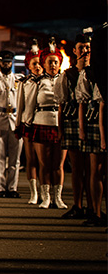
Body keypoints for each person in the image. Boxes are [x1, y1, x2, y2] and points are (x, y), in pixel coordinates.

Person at [19, 40, 67, 210]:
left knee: (58, 164)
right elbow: (30, 104)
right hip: (41, 122)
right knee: (44, 163)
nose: (53, 65)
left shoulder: (64, 79)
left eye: (56, 62)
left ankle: (58, 197)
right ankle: (45, 197)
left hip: (59, 124)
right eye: (49, 62)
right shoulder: (37, 82)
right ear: (44, 63)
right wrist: (27, 124)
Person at [55, 33, 92, 219]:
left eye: (87, 47)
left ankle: (93, 207)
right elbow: (61, 106)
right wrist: (61, 130)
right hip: (72, 123)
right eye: (81, 48)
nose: (85, 51)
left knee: (93, 169)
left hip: (92, 122)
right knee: (77, 168)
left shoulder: (96, 72)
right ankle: (77, 205)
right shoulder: (68, 75)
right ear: (74, 51)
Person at [76, 56, 107, 226]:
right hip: (96, 125)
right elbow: (90, 104)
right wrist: (82, 129)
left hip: (101, 124)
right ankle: (96, 211)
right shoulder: (91, 73)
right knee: (95, 171)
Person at [0, 49, 21, 199]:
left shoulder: (19, 79)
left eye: (8, 62)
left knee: (15, 157)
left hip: (14, 118)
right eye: (3, 62)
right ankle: (0, 187)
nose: (6, 64)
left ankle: (12, 187)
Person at [17, 41, 45, 205]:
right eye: (34, 64)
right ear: (28, 65)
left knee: (44, 161)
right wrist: (19, 125)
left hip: (44, 123)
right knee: (31, 160)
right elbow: (20, 105)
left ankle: (45, 191)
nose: (38, 67)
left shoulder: (48, 81)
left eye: (40, 63)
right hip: (28, 123)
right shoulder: (24, 82)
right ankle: (34, 193)